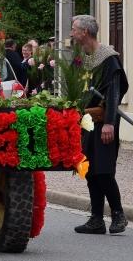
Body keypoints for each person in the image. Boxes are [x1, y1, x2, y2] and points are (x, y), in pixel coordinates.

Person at [71, 15, 129, 235]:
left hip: (103, 121)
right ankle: (96, 219)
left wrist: (109, 124)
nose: (71, 33)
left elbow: (113, 93)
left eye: (74, 29)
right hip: (87, 122)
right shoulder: (82, 58)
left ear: (85, 32)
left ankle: (118, 214)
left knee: (104, 170)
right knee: (90, 170)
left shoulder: (108, 58)